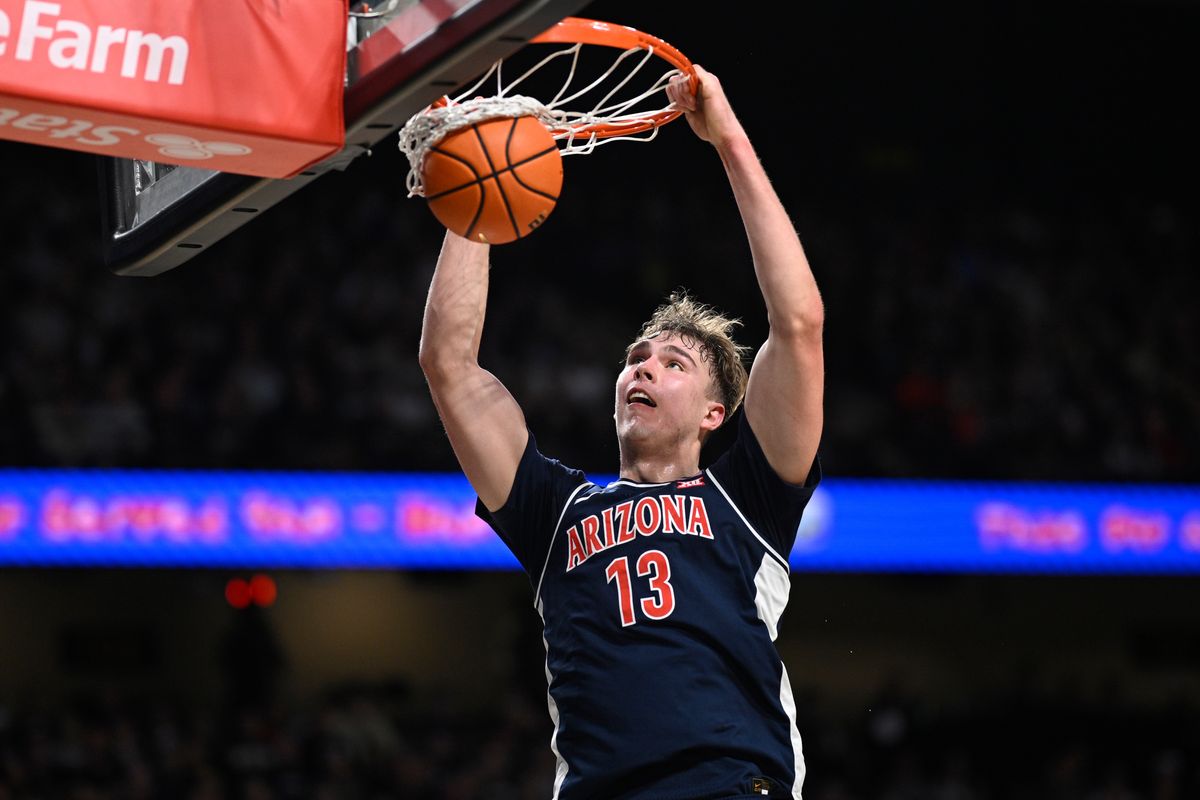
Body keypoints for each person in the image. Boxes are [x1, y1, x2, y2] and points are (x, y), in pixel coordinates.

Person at [418, 65, 824, 800]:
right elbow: (449, 365)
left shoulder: (747, 500)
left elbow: (798, 324)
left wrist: (727, 138)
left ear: (715, 413)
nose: (642, 367)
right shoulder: (555, 512)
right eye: (636, 358)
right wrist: (476, 193)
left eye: (673, 364)